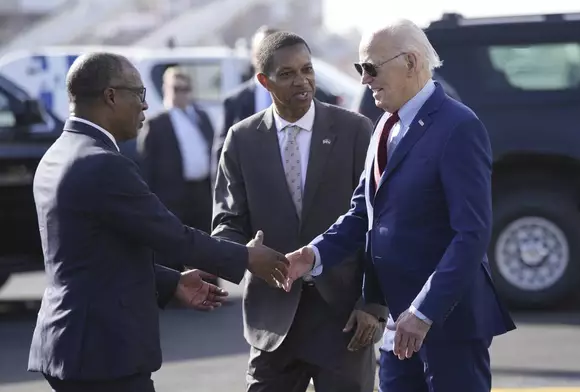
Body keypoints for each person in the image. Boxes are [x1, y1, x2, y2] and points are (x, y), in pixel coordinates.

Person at [27, 52, 289, 392]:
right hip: (102, 353)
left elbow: (94, 256)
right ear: (111, 96)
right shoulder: (102, 163)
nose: (145, 106)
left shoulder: (59, 152)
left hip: (71, 343)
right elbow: (173, 236)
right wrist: (248, 257)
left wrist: (170, 282)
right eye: (139, 94)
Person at [285, 20, 516, 392]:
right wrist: (312, 255)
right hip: (395, 323)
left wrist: (424, 311)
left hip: (446, 323)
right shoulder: (383, 126)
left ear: (410, 62)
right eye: (361, 69)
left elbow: (471, 234)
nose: (364, 80)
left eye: (371, 68)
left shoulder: (459, 126)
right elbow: (363, 213)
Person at [212, 31, 388, 392]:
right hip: (272, 321)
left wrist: (374, 304)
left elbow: (380, 222)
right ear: (264, 80)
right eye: (288, 73)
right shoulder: (242, 139)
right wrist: (239, 254)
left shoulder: (355, 130)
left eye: (307, 69)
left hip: (344, 319)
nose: (303, 80)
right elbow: (227, 222)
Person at [213, 25, 337, 163]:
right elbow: (223, 153)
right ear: (253, 55)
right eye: (263, 51)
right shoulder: (234, 102)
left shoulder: (318, 95)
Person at [137, 67, 217, 234]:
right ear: (166, 89)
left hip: (202, 193)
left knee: (204, 239)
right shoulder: (157, 123)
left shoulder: (201, 117)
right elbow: (146, 166)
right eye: (176, 88)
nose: (181, 94)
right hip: (172, 196)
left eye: (185, 89)